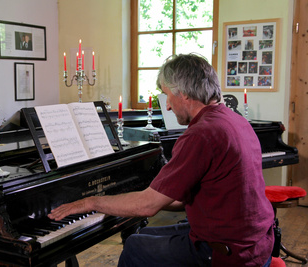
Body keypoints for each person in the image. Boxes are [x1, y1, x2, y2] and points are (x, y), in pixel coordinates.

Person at [48, 53, 274, 267]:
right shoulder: (233, 120)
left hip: (229, 253)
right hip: (255, 241)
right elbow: (183, 199)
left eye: (167, 95)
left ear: (184, 93)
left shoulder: (201, 133)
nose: (166, 105)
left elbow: (147, 206)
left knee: (135, 247)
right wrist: (146, 197)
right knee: (144, 235)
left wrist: (91, 202)